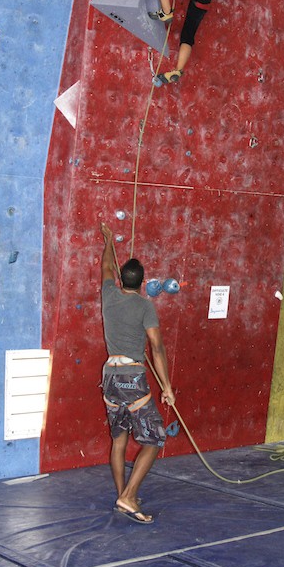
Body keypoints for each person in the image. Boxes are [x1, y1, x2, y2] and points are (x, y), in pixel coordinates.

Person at [100, 222, 175, 524]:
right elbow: (156, 347)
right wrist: (167, 386)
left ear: (120, 279)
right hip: (131, 377)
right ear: (142, 283)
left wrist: (108, 240)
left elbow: (106, 266)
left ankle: (123, 495)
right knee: (154, 438)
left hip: (109, 376)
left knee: (119, 440)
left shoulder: (108, 294)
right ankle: (128, 497)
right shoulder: (145, 307)